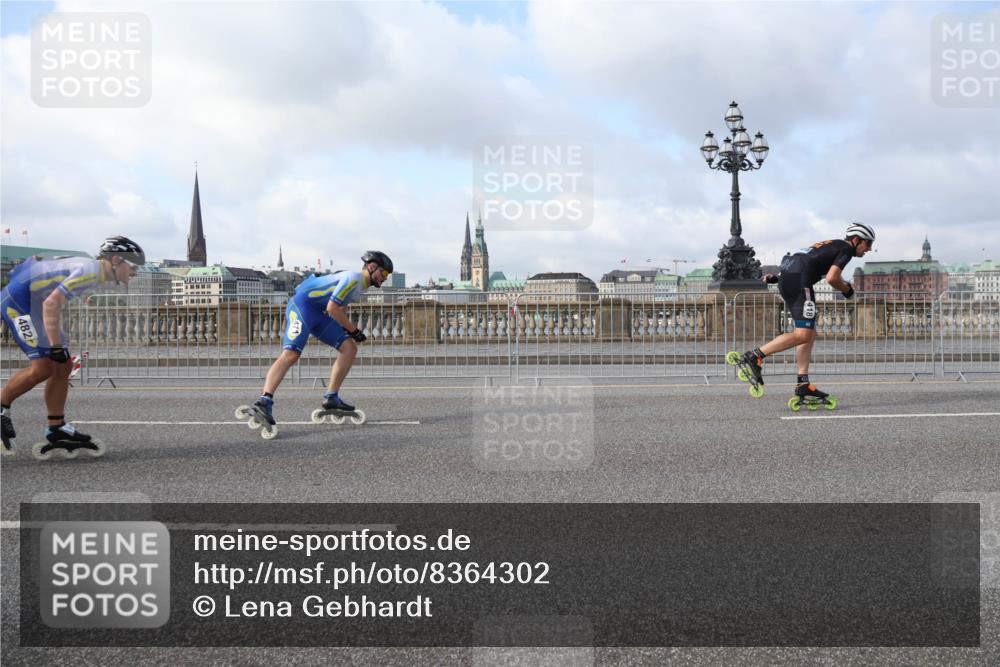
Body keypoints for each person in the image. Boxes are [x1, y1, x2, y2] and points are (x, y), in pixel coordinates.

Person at [1, 236, 145, 458]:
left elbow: (45, 288)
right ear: (116, 260)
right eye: (133, 266)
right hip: (18, 302)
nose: (134, 272)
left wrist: (58, 347)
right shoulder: (90, 271)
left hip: (34, 303)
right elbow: (51, 303)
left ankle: (56, 427)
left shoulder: (92, 269)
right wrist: (55, 346)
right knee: (43, 368)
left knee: (64, 365)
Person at [244, 250, 393, 433]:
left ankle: (331, 397)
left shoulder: (359, 286)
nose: (385, 278)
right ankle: (264, 401)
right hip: (302, 307)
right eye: (384, 273)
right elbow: (333, 308)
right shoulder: (353, 278)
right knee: (291, 354)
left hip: (318, 313)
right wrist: (353, 330)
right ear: (372, 267)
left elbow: (336, 307)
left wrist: (349, 332)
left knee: (349, 348)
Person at [735, 223, 875, 402]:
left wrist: (778, 277)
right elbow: (832, 278)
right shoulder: (846, 249)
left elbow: (802, 260)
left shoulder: (830, 244)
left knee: (808, 334)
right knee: (803, 334)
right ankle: (755, 355)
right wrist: (847, 290)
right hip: (800, 282)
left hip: (789, 277)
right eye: (868, 244)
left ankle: (803, 383)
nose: (869, 249)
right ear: (856, 240)